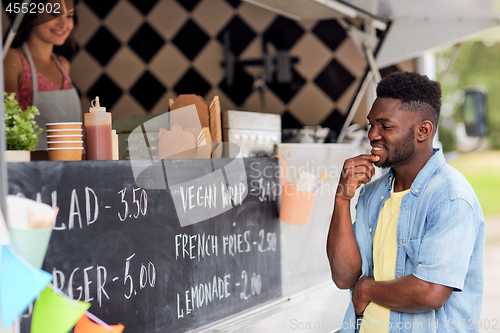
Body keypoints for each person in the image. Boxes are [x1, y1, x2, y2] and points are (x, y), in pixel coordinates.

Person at [327, 72, 484, 333]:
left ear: (423, 130)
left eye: (385, 126)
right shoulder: (372, 194)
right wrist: (342, 199)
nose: (372, 135)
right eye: (371, 125)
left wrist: (367, 289)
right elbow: (344, 278)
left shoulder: (450, 197)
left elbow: (431, 292)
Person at [3, 0, 81, 150]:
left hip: (71, 164)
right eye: (54, 13)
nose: (64, 24)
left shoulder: (63, 64)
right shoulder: (12, 60)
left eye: (69, 16)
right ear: (32, 16)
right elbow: (9, 127)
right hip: (32, 167)